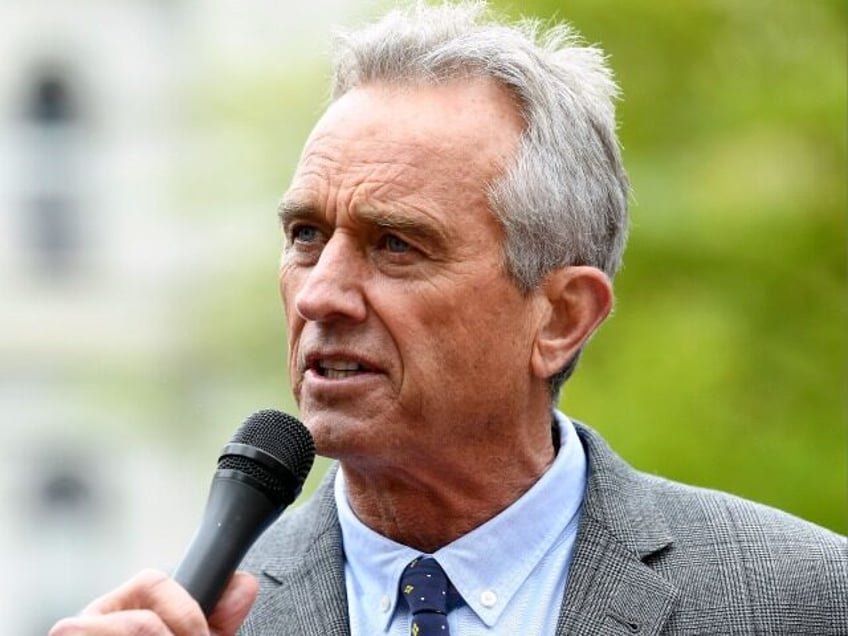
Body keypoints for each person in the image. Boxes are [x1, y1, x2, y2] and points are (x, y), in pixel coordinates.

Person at [50, 2, 846, 635]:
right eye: (305, 236)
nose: (322, 294)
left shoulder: (801, 601)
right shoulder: (195, 618)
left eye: (396, 245)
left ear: (562, 317)